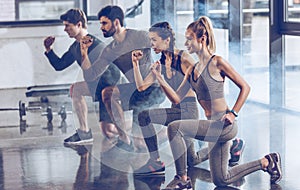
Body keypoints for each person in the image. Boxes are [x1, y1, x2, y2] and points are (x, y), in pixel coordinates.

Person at [149, 16, 282, 190]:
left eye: (189, 38)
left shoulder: (217, 62)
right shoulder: (192, 69)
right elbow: (176, 99)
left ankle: (182, 180)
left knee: (175, 128)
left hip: (224, 125)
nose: (186, 42)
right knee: (221, 180)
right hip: (211, 126)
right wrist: (160, 78)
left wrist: (233, 113)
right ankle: (267, 162)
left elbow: (245, 87)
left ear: (201, 39)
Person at [131, 22, 244, 177]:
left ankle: (156, 162)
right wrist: (135, 64)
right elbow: (141, 87)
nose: (151, 45)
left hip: (188, 111)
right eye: (150, 40)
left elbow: (203, 80)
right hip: (176, 109)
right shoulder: (162, 63)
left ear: (167, 40)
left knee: (144, 116)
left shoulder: (184, 58)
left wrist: (219, 116)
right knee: (192, 160)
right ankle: (232, 145)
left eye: (154, 40)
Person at [80, 5, 165, 151]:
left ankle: (172, 132)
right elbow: (91, 75)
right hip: (135, 89)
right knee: (107, 93)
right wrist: (84, 53)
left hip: (153, 89)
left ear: (117, 22)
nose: (101, 27)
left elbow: (164, 45)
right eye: (101, 23)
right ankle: (124, 138)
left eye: (104, 23)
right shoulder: (110, 50)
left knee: (141, 145)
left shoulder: (139, 36)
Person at [44, 8, 121, 145]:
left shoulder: (95, 44)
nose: (65, 29)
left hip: (112, 87)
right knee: (108, 131)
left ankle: (135, 132)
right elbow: (60, 65)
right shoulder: (75, 47)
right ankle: (86, 132)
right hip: (100, 87)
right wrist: (49, 49)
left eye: (68, 25)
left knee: (77, 89)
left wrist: (108, 93)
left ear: (79, 25)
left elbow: (113, 73)